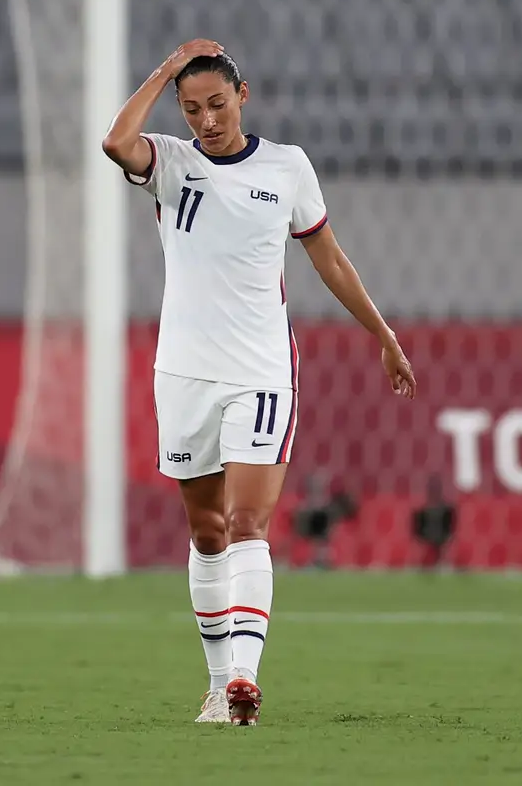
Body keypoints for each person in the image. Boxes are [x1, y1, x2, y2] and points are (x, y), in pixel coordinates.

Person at [101, 39, 417, 725]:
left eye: (217, 103)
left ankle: (244, 677)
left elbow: (330, 259)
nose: (207, 120)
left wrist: (383, 335)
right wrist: (165, 69)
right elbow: (115, 143)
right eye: (192, 109)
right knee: (207, 531)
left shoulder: (287, 167)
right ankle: (218, 685)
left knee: (247, 523)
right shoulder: (170, 163)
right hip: (184, 371)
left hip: (261, 371)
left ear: (243, 96)